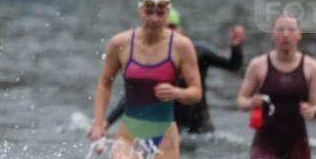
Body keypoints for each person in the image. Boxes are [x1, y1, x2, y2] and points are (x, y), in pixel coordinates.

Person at [90, 0, 202, 159]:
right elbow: (105, 83)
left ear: (168, 13)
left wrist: (176, 92)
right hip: (129, 132)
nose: (154, 19)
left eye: (160, 13)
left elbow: (196, 92)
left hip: (164, 136)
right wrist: (98, 123)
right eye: (149, 12)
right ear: (140, 10)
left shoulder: (182, 46)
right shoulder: (120, 43)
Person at [105, 8, 245, 134]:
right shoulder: (153, 61)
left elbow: (233, 66)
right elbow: (133, 96)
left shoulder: (198, 53)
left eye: (172, 27)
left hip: (201, 129)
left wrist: (236, 48)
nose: (169, 31)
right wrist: (107, 122)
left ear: (180, 30)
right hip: (171, 129)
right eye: (165, 27)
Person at [237, 15, 316, 159]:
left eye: (291, 30)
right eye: (280, 30)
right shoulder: (258, 65)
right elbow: (241, 100)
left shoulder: (313, 67)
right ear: (273, 35)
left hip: (297, 143)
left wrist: (313, 111)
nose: (285, 34)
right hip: (265, 143)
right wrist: (251, 102)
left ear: (299, 34)